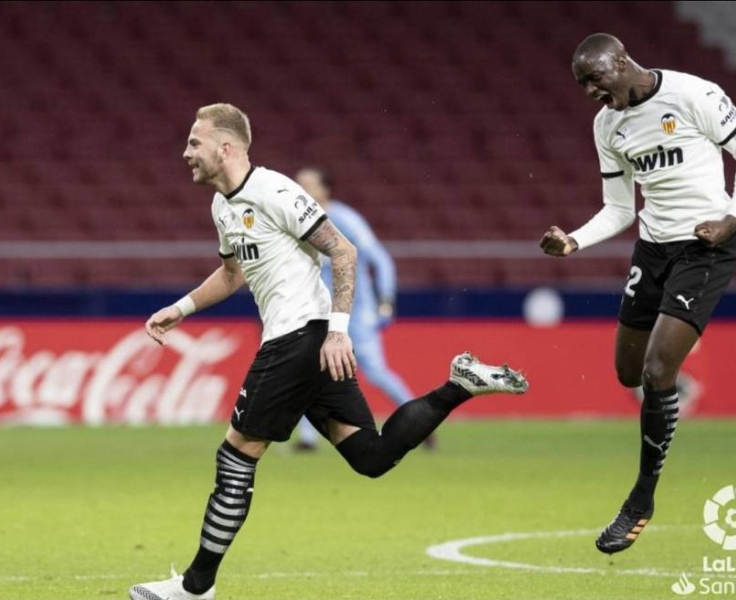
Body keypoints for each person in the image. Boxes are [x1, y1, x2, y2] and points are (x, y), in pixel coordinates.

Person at [129, 103, 528, 600]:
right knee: (370, 456)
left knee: (236, 456)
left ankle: (195, 588)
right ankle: (458, 385)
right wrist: (181, 308)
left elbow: (344, 250)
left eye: (194, 142)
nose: (185, 152)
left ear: (225, 148)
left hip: (298, 337)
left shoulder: (273, 190)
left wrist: (339, 331)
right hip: (309, 343)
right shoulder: (222, 206)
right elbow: (233, 274)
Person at [540, 33, 736, 555]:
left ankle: (640, 500)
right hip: (652, 250)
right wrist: (573, 241)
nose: (590, 92)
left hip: (706, 247)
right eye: (583, 85)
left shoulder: (693, 95)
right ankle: (669, 390)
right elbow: (620, 208)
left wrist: (731, 220)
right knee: (628, 373)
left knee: (654, 372)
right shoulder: (607, 124)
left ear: (621, 62)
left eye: (595, 80)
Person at [292, 167, 426, 451]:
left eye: (308, 184)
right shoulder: (296, 221)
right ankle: (307, 439)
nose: (301, 188)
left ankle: (422, 422)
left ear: (325, 190)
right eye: (298, 183)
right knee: (308, 369)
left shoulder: (346, 219)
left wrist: (385, 299)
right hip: (318, 312)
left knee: (375, 372)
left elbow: (380, 259)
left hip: (356, 311)